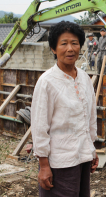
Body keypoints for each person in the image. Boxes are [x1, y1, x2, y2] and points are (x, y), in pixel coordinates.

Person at [31, 21, 99, 197]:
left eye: (75, 43)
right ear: (54, 49)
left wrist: (92, 150)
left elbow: (90, 118)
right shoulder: (47, 82)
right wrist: (44, 165)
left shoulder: (84, 78)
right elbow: (39, 127)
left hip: (83, 158)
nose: (70, 48)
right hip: (60, 162)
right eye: (64, 43)